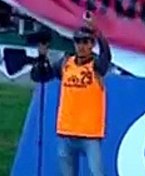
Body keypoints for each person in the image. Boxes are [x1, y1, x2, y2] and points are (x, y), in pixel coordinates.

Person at [40, 15, 111, 176]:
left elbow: (106, 56)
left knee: (97, 173)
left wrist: (97, 31)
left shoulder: (96, 66)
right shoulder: (66, 63)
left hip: (90, 133)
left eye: (86, 42)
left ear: (92, 44)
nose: (81, 46)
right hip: (66, 131)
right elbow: (42, 75)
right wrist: (42, 57)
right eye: (78, 42)